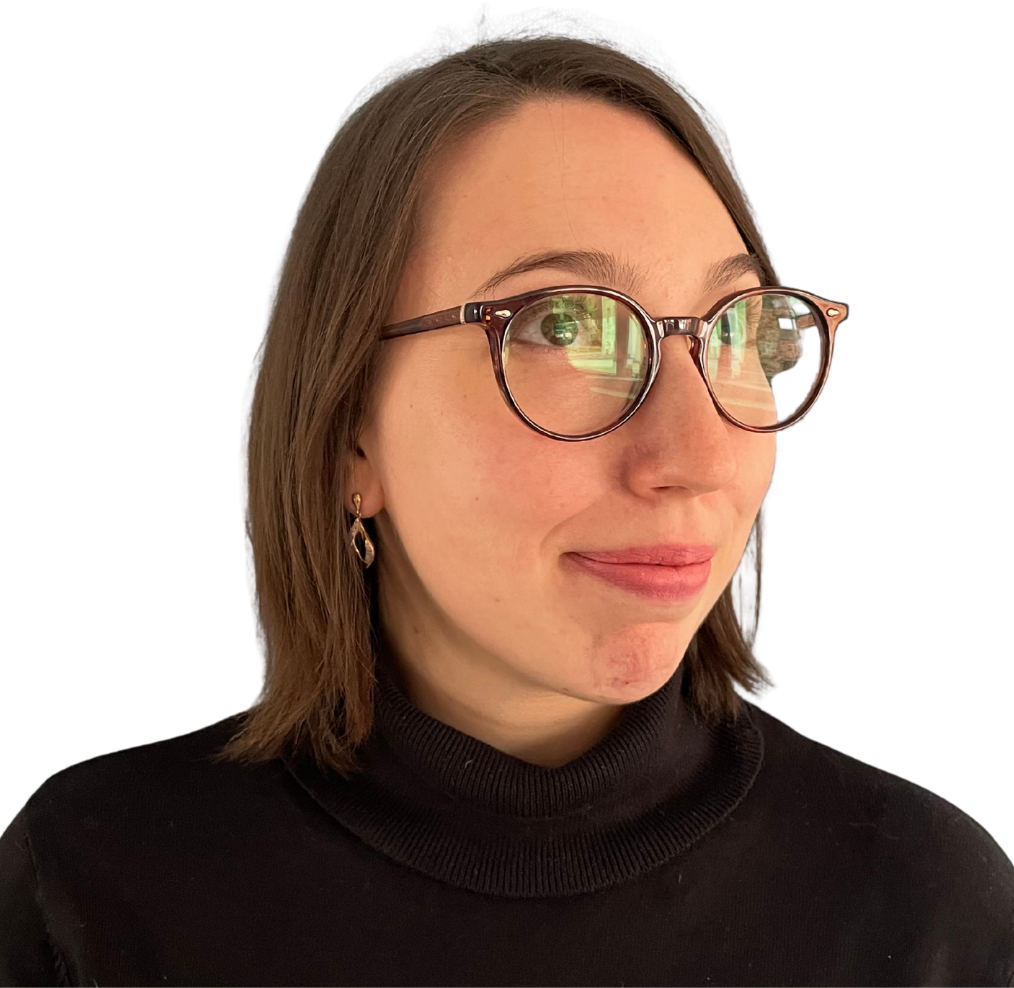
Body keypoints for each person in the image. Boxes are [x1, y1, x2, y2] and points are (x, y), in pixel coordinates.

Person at [2, 8, 1011, 986]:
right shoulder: (91, 892)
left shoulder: (928, 907)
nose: (702, 458)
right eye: (564, 327)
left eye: (737, 326)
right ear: (350, 431)